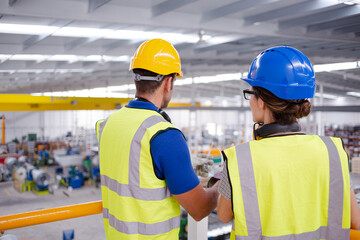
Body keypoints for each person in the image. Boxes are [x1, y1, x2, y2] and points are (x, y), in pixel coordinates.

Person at [217, 46, 360, 239]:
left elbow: (224, 215)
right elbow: (355, 220)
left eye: (251, 94)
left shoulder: (241, 158)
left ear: (262, 101)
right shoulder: (332, 151)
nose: (250, 101)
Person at [96, 38, 219, 240]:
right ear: (169, 82)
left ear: (136, 79)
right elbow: (199, 208)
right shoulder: (165, 136)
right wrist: (218, 187)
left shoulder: (106, 125)